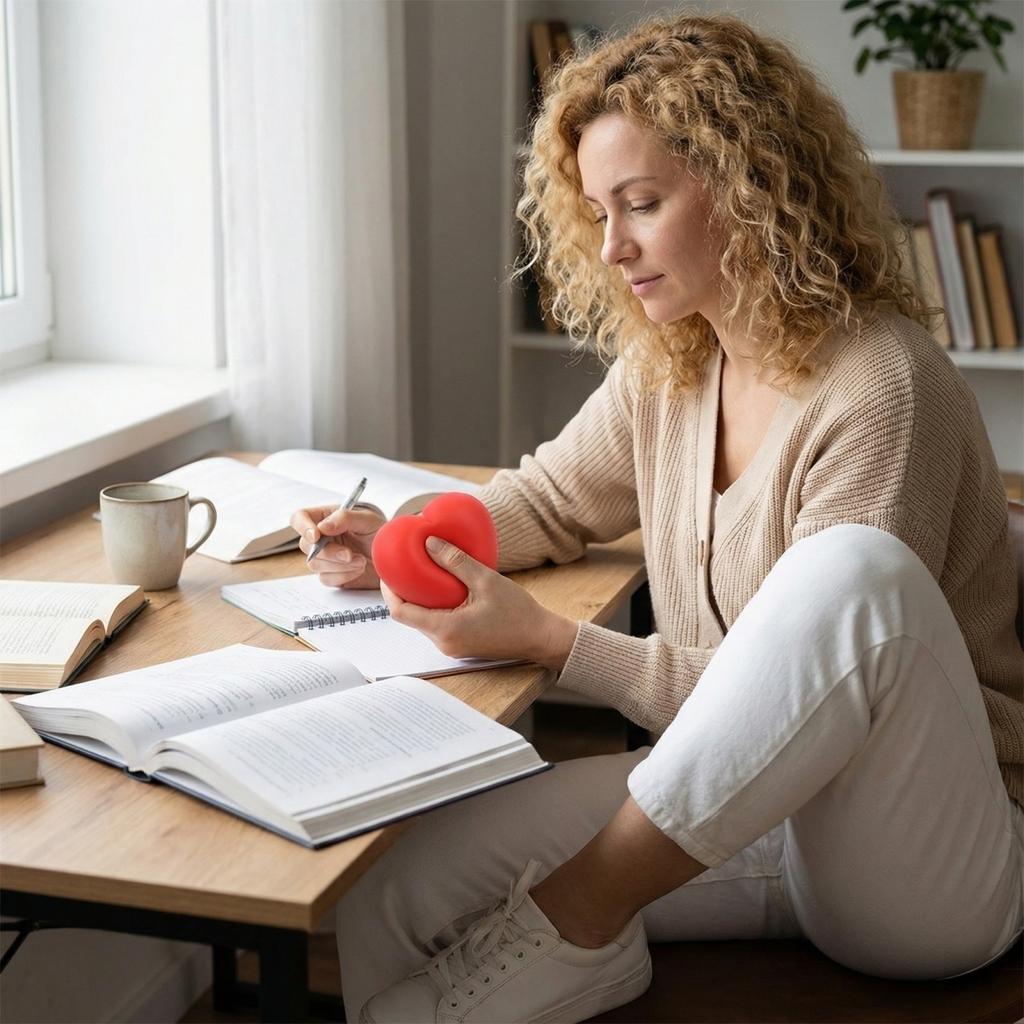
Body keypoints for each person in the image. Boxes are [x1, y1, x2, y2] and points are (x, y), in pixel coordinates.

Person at [291, 11, 1024, 1023]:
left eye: (640, 203)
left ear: (751, 182)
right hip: (741, 817)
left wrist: (552, 642)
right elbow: (549, 501)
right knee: (394, 886)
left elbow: (801, 712)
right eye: (595, 210)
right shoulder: (676, 361)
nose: (610, 245)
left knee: (853, 573)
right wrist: (407, 539)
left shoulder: (879, 386)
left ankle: (580, 923)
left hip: (920, 848)